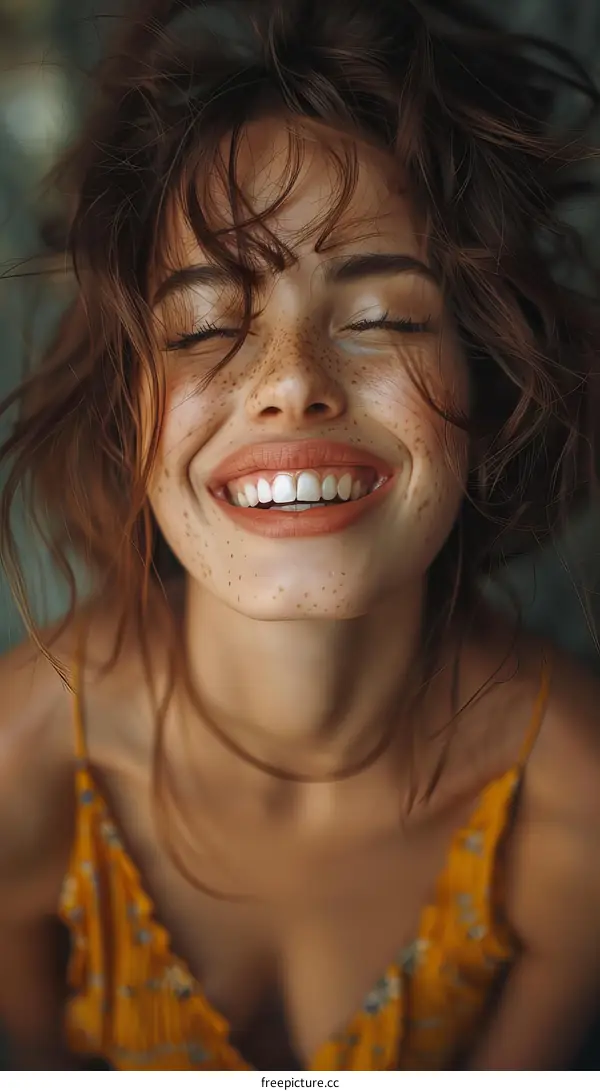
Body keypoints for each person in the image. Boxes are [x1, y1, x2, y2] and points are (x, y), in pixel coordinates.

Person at [1, 0, 600, 1072]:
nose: (290, 383)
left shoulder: (574, 797)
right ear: (127, 408)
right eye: (205, 327)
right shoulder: (22, 761)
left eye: (382, 320)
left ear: (487, 383)